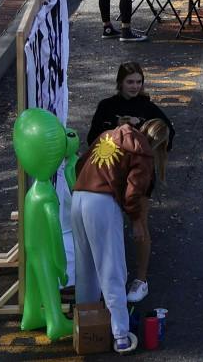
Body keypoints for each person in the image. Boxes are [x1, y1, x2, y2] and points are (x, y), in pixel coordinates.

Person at [72, 117, 169, 353]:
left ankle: (86, 326)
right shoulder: (143, 151)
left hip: (79, 196)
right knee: (111, 268)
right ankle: (120, 334)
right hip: (102, 203)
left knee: (85, 268)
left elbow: (80, 163)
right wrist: (136, 219)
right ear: (159, 143)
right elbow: (134, 191)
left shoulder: (108, 135)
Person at [84, 62, 177, 151]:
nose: (135, 86)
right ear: (120, 83)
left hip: (140, 162)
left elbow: (168, 132)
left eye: (138, 82)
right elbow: (92, 139)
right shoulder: (106, 106)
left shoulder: (148, 107)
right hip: (113, 160)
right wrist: (116, 124)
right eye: (130, 82)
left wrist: (149, 149)